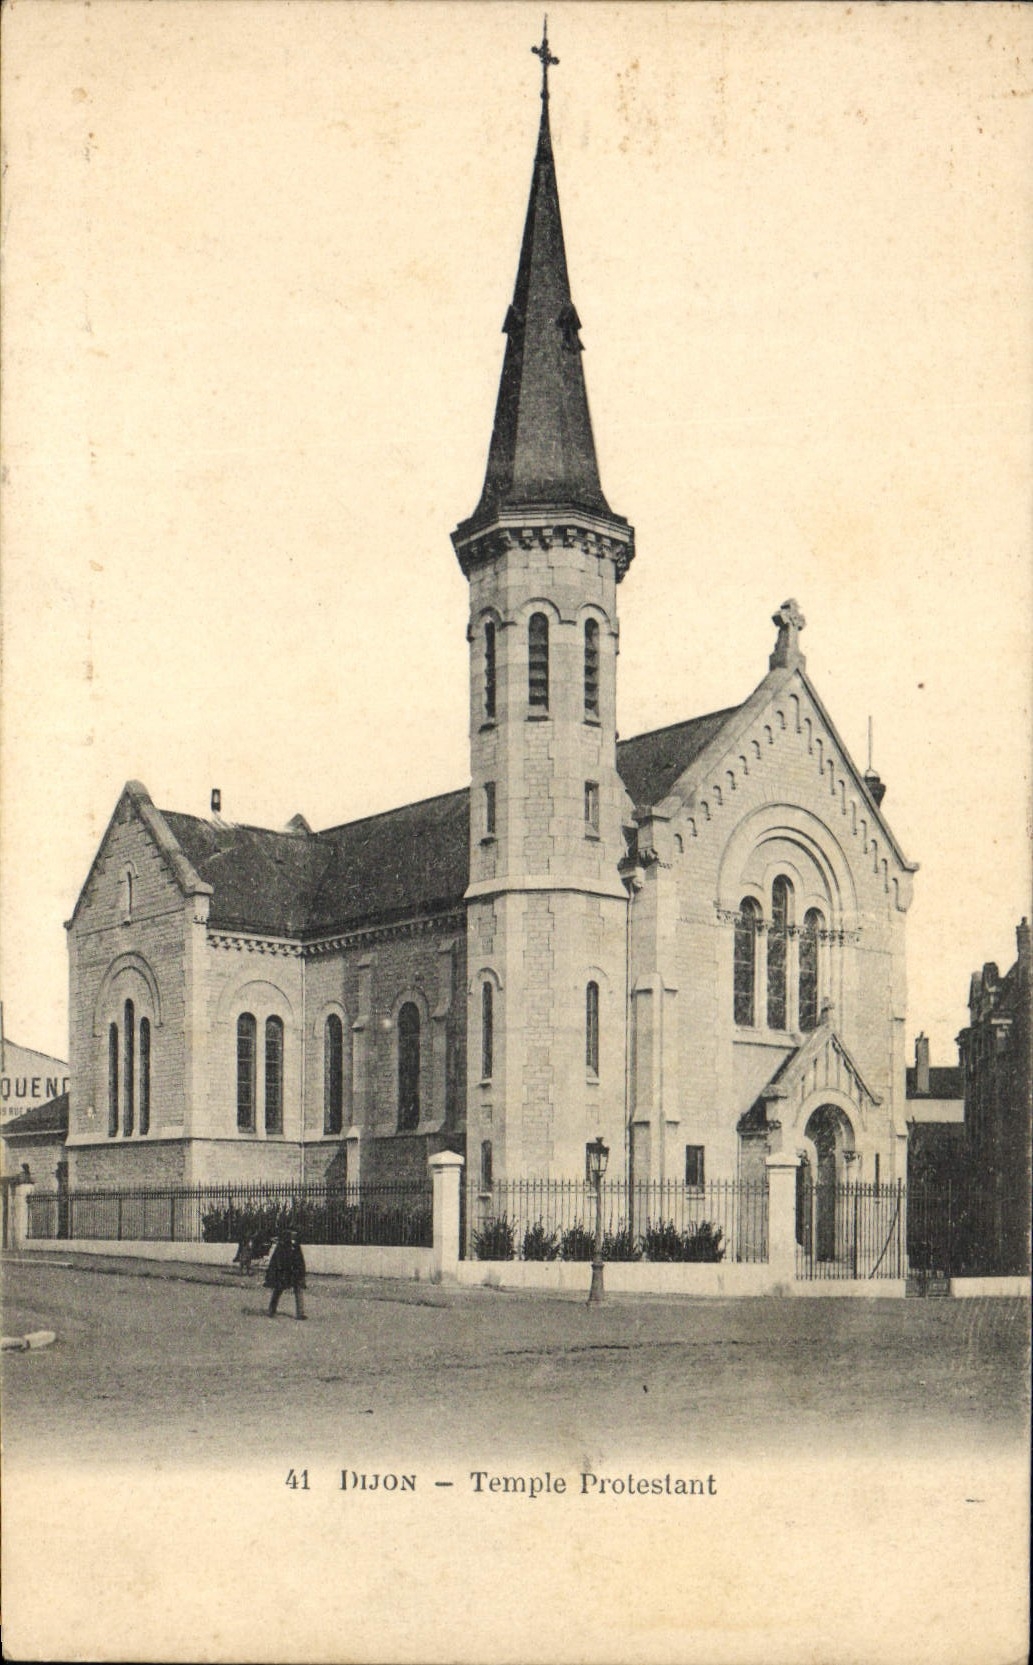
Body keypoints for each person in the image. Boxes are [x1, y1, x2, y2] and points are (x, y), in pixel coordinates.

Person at [265, 1229, 307, 1319]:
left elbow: (300, 1260)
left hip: (294, 1272)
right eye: (292, 1234)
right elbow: (278, 1261)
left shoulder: (296, 1246)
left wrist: (301, 1271)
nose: (294, 1236)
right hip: (285, 1272)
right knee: (278, 1289)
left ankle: (300, 1313)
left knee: (298, 1289)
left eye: (295, 1234)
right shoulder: (282, 1246)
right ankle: (271, 1310)